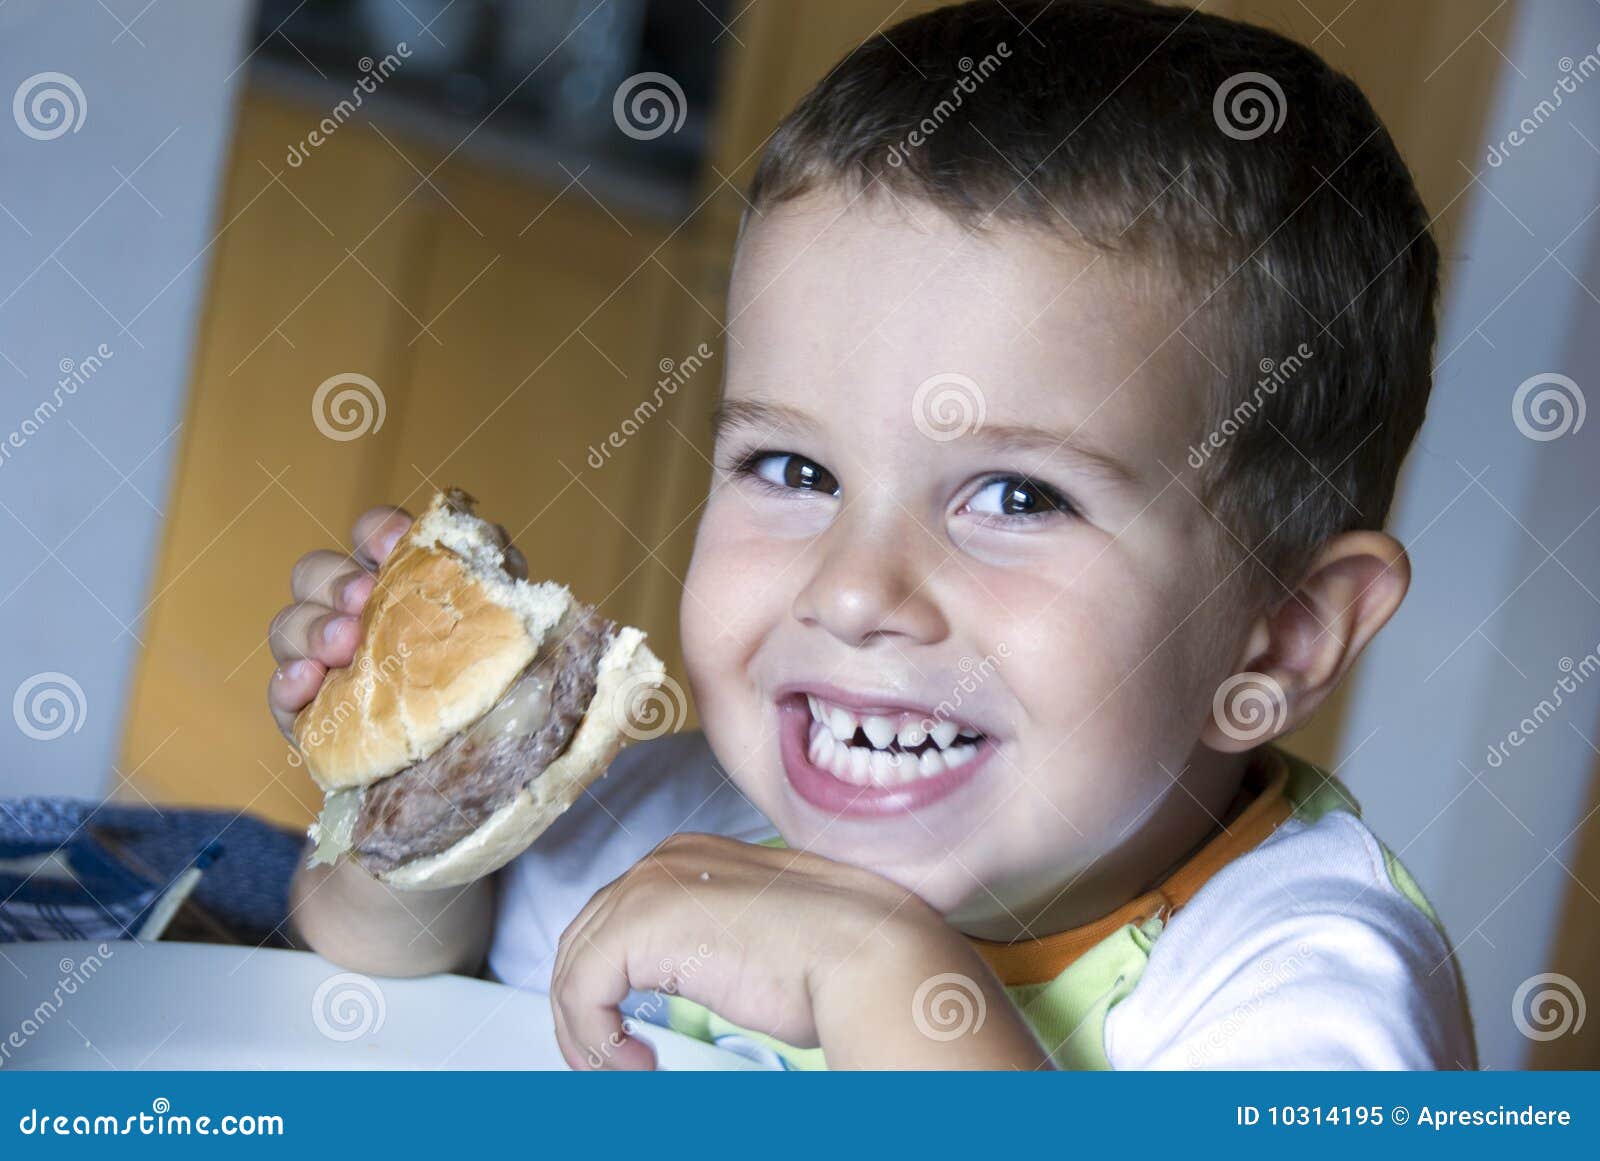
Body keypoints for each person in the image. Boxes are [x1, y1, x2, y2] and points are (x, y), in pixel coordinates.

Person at [266, 0, 1474, 1069]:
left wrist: (879, 974)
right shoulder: (676, 819)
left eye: (1015, 498)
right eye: (794, 470)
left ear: (1280, 637)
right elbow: (399, 972)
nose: (851, 592)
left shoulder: (1301, 987)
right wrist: (418, 804)